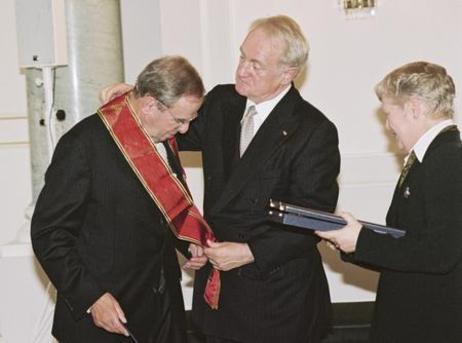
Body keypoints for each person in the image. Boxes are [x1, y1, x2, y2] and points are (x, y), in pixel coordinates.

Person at [103, 15, 340, 343]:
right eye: (243, 57)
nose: (243, 69)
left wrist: (251, 251)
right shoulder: (220, 102)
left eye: (256, 65)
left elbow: (314, 218)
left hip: (277, 299)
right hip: (221, 294)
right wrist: (144, 101)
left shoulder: (313, 131)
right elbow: (172, 133)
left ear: (288, 73)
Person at [31, 56, 209, 343]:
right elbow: (48, 234)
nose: (186, 130)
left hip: (163, 313)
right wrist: (92, 298)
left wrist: (185, 241)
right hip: (105, 317)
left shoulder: (163, 137)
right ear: (150, 105)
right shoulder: (84, 145)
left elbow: (155, 210)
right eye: (181, 120)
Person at [317, 61, 462, 342]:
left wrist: (361, 240)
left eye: (388, 114)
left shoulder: (448, 161)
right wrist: (352, 241)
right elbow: (408, 243)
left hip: (428, 326)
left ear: (414, 108)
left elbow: (440, 253)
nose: (387, 125)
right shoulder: (431, 159)